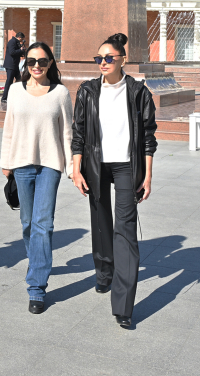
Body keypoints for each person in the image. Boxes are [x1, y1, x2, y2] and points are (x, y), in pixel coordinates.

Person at [71, 32, 157, 328]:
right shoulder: (88, 90)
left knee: (125, 230)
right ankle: (104, 273)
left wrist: (147, 174)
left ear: (122, 59)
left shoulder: (137, 91)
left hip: (125, 166)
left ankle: (123, 305)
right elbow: (78, 132)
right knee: (100, 221)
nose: (103, 62)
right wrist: (76, 167)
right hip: (95, 164)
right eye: (99, 58)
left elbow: (148, 136)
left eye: (109, 58)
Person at [0, 42, 73, 314]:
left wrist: (72, 167)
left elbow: (68, 132)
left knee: (44, 223)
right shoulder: (16, 91)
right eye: (32, 61)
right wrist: (5, 162)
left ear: (51, 63)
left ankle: (37, 287)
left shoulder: (60, 93)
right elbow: (9, 128)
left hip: (50, 166)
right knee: (28, 222)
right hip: (21, 164)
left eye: (42, 61)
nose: (37, 66)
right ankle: (37, 260)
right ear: (25, 63)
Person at [1, 31, 26, 101]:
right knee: (9, 81)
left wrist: (22, 52)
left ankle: (17, 96)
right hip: (10, 65)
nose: (22, 41)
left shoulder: (16, 42)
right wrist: (20, 50)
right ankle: (4, 98)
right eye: (22, 39)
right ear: (19, 37)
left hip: (15, 65)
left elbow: (16, 52)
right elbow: (12, 52)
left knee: (19, 80)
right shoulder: (12, 42)